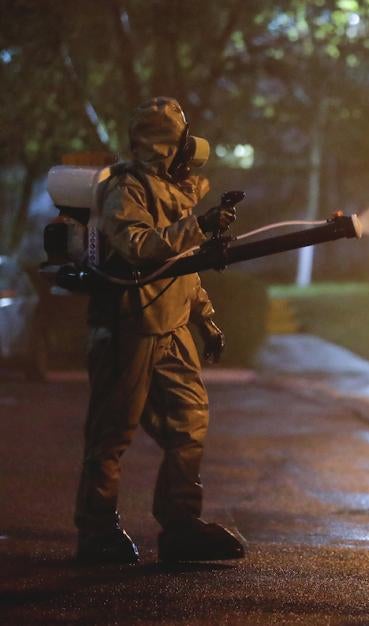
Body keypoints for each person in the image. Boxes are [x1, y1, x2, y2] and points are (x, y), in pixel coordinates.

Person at [75, 97, 246, 564]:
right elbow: (137, 246)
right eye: (182, 138)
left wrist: (204, 318)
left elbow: (183, 268)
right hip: (130, 325)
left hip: (170, 326)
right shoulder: (127, 189)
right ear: (169, 144)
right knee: (112, 431)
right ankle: (96, 531)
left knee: (190, 422)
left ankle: (181, 524)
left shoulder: (174, 192)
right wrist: (199, 226)